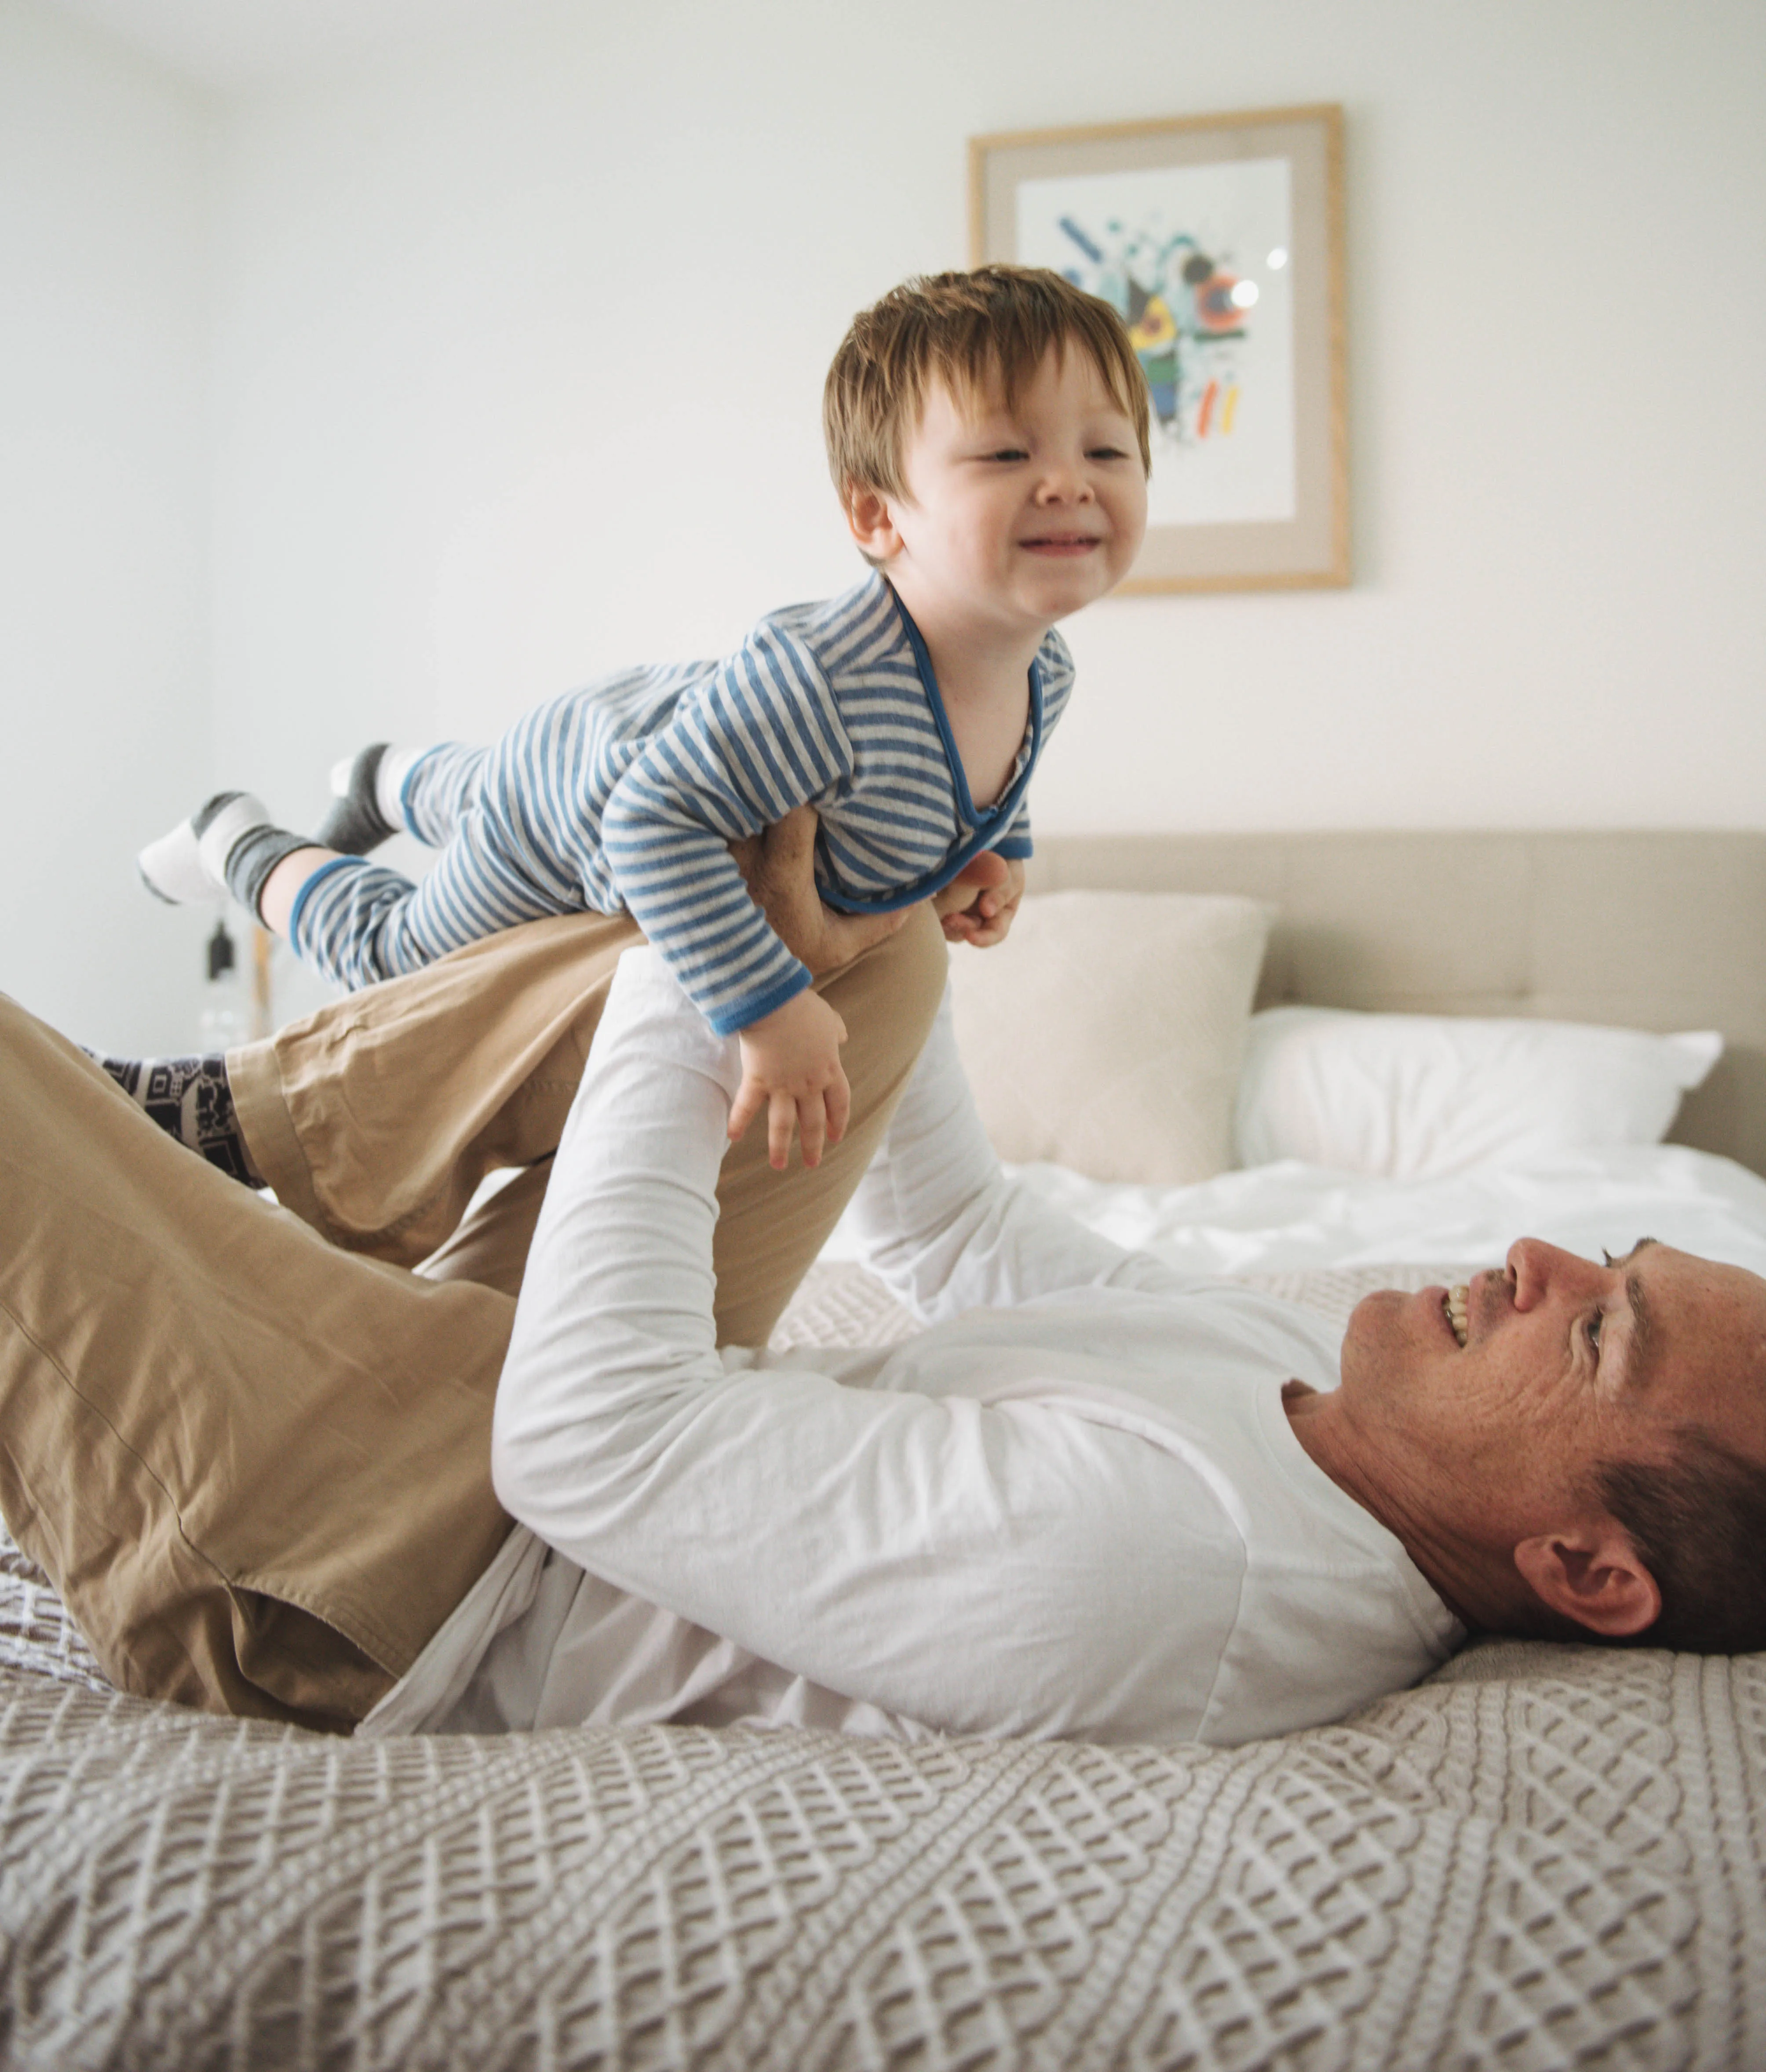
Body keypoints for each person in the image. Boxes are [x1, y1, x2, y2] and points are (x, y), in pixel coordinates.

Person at [6, 819, 1765, 1746]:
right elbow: (967, 1247)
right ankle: (248, 1119)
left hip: (382, 1570)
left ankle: (245, 1130)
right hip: (521, 1421)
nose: (1528, 1253)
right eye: (1599, 1250)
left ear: (1584, 1568)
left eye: (1593, 1327)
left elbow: (590, 1449)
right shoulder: (1340, 1394)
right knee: (849, 910)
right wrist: (857, 902)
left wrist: (685, 979)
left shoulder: (1165, 1568)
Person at [134, 265, 1152, 1169]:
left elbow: (993, 787)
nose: (1069, 481)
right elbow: (648, 823)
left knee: (483, 783)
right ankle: (241, 839)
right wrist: (765, 1006)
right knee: (401, 964)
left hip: (606, 736)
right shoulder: (829, 684)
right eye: (1007, 455)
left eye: (1107, 449)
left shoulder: (1044, 673)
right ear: (877, 515)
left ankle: (383, 777)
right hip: (578, 810)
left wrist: (995, 856)